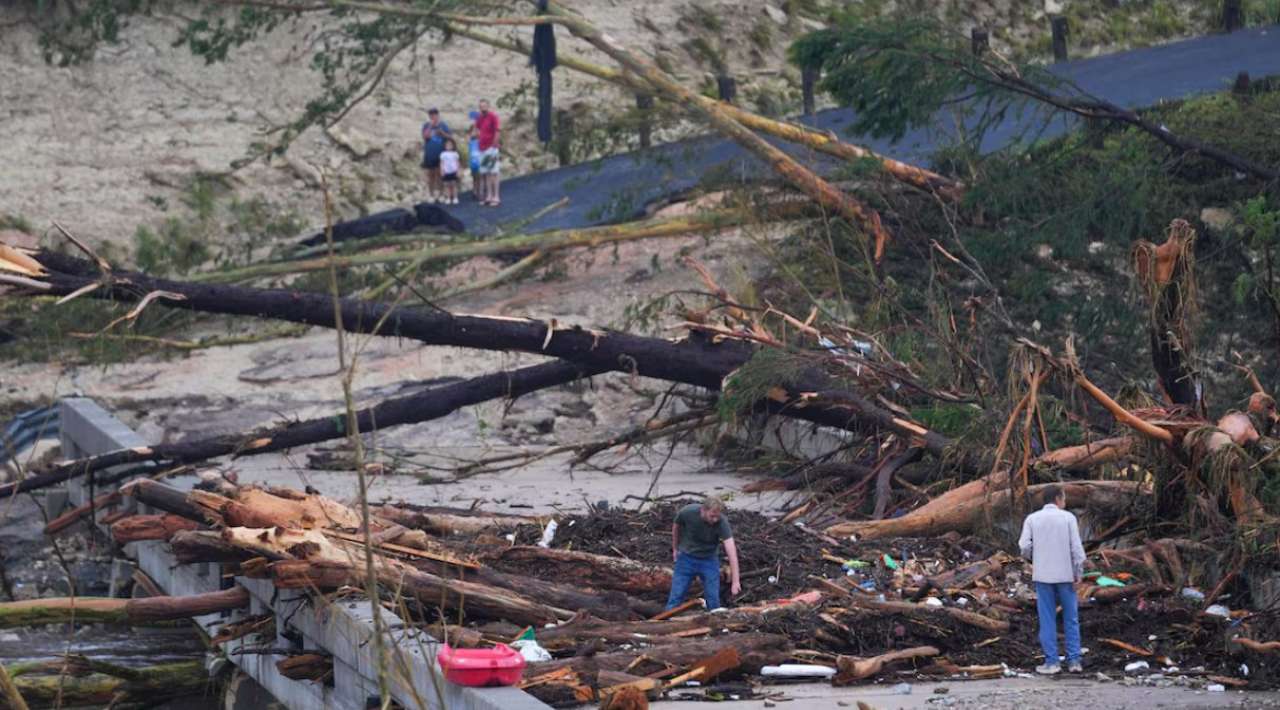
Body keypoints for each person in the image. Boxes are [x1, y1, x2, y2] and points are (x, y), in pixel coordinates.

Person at [1019, 484, 1086, 675]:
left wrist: (1034, 558)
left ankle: (1052, 662)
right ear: (1058, 498)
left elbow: (1024, 546)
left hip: (1043, 575)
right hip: (1066, 575)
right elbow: (1077, 550)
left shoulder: (1032, 519)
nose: (1064, 502)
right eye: (1064, 498)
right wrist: (1078, 573)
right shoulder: (1068, 518)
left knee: (1047, 619)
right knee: (1071, 618)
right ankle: (1074, 661)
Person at [665, 495, 741, 611]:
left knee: (713, 599)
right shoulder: (688, 512)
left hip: (709, 560)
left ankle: (715, 625)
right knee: (677, 595)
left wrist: (735, 581)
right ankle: (666, 623)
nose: (715, 519)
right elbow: (676, 526)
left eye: (717, 516)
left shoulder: (721, 522)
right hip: (686, 558)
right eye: (712, 516)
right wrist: (675, 548)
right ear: (703, 510)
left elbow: (731, 551)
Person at [420, 108, 452, 203]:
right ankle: (431, 194)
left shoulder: (443, 125)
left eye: (435, 114)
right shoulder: (426, 125)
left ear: (438, 115)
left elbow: (450, 137)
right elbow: (425, 136)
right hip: (430, 154)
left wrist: (442, 133)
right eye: (431, 115)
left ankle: (441, 194)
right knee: (431, 175)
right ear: (429, 116)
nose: (433, 116)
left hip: (441, 154)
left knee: (440, 175)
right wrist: (430, 126)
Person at [475, 99, 502, 207]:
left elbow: (498, 130)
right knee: (486, 173)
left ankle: (496, 196)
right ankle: (489, 195)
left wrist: (495, 142)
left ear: (488, 106)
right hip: (482, 149)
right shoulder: (480, 118)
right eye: (481, 106)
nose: (483, 108)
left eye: (484, 106)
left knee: (493, 172)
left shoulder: (493, 116)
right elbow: (477, 128)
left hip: (491, 148)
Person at [466, 111, 484, 203]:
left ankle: (480, 192)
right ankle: (475, 191)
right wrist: (473, 126)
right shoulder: (470, 141)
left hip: (480, 160)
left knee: (480, 177)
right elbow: (468, 136)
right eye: (473, 131)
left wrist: (477, 126)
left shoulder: (480, 140)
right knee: (474, 177)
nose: (475, 132)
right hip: (473, 162)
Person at [439, 139, 461, 205]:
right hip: (446, 172)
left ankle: (455, 197)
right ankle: (448, 198)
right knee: (446, 185)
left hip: (453, 171)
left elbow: (457, 163)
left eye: (450, 145)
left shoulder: (455, 154)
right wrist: (442, 170)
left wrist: (458, 171)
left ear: (453, 146)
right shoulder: (443, 154)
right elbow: (441, 163)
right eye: (447, 145)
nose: (449, 146)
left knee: (454, 185)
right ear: (445, 146)